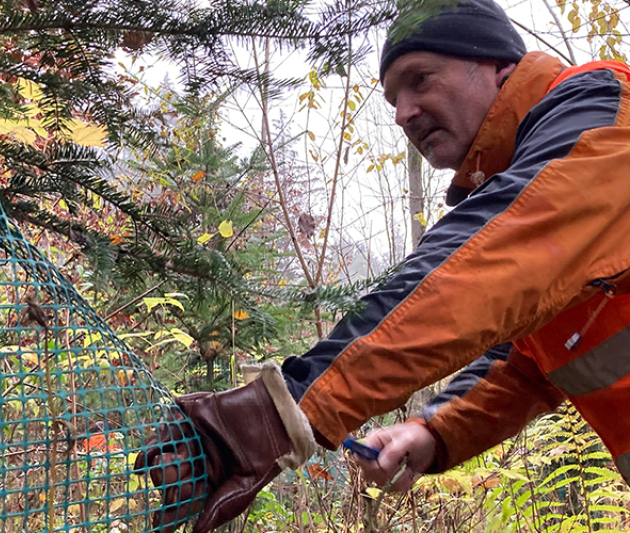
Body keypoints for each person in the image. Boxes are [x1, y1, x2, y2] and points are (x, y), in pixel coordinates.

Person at [135, 0, 630, 530]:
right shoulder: (555, 249)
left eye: (420, 80)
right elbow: (531, 362)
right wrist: (433, 433)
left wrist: (285, 409)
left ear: (498, 67)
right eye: (393, 98)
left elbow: (489, 263)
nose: (403, 113)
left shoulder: (604, 112)